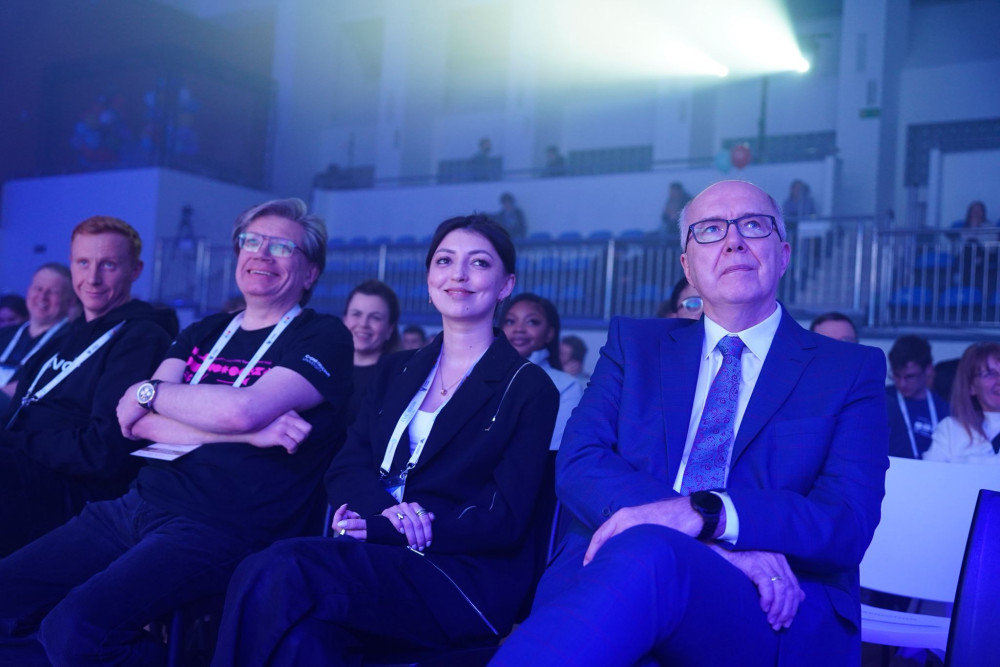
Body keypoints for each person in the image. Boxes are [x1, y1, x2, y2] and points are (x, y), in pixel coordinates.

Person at [493, 180, 889, 666]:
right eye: (710, 230)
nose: (733, 240)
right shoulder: (635, 346)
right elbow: (580, 461)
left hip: (770, 600)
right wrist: (699, 533)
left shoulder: (847, 370)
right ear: (688, 267)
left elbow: (846, 520)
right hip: (613, 574)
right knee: (647, 559)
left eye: (753, 225)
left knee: (652, 554)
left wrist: (708, 513)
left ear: (783, 254)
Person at [0, 198, 354, 664]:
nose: (261, 254)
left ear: (310, 273)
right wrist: (241, 433)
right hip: (137, 504)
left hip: (224, 523)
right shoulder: (205, 331)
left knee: (74, 628)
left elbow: (243, 409)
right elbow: (136, 420)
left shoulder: (323, 336)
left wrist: (158, 395)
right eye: (251, 241)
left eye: (282, 247)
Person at [211, 213, 559, 664]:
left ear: (505, 284)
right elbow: (348, 465)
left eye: (478, 263)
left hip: (458, 575)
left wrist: (390, 527)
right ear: (430, 279)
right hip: (377, 555)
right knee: (303, 642)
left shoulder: (527, 386)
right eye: (445, 261)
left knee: (279, 567)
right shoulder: (397, 370)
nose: (458, 274)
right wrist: (382, 516)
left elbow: (503, 515)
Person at [0, 216, 177, 557]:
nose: (92, 278)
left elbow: (103, 451)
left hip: (74, 489)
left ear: (135, 270)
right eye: (83, 263)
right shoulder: (67, 336)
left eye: (108, 265)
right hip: (24, 463)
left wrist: (13, 441)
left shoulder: (141, 338)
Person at [501, 292, 584, 451]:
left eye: (532, 322)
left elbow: (555, 451)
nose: (519, 329)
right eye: (510, 321)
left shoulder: (566, 386)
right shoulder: (480, 376)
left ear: (549, 334)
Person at [0, 263, 76, 399]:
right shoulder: (5, 334)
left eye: (52, 292)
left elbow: (42, 383)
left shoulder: (73, 342)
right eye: (38, 288)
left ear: (70, 301)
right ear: (29, 291)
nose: (42, 297)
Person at [924, 341, 1000, 464]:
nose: (998, 380)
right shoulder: (951, 430)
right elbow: (928, 474)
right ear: (971, 386)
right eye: (990, 374)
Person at [343, 279, 401, 425]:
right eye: (356, 314)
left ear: (390, 329)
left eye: (375, 317)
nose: (363, 324)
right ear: (344, 319)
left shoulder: (397, 379)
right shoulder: (323, 369)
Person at [886, 335, 949, 459]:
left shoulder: (943, 408)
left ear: (928, 369)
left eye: (910, 377)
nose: (902, 384)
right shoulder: (882, 400)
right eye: (896, 376)